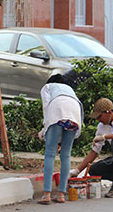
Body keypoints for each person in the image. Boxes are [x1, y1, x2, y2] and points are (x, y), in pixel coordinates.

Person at [37, 74, 83, 205]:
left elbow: (47, 108)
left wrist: (44, 129)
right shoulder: (69, 89)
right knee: (66, 155)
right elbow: (69, 113)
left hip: (56, 111)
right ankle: (61, 194)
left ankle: (46, 194)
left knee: (50, 154)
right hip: (75, 114)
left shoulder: (47, 87)